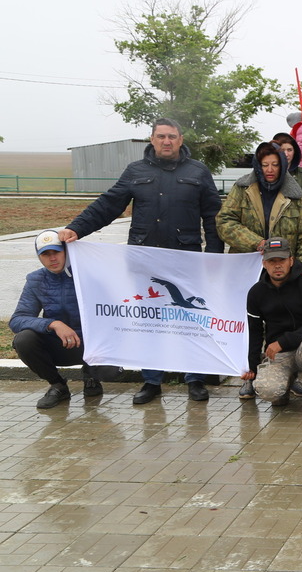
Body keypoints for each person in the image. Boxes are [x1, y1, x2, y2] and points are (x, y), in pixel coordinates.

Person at [58, 117, 224, 404]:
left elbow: (213, 217)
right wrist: (76, 227)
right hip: (143, 261)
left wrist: (214, 257)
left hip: (186, 261)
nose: (167, 141)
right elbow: (108, 204)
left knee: (190, 321)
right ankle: (151, 381)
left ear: (181, 139)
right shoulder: (135, 171)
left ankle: (195, 380)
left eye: (172, 136)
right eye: (161, 136)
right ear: (152, 139)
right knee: (150, 323)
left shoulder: (198, 172)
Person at [10, 230, 102, 409]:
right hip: (60, 344)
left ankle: (92, 374)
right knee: (24, 340)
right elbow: (17, 319)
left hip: (91, 344)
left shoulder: (87, 274)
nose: (52, 258)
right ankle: (58, 385)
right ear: (39, 257)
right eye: (45, 254)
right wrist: (53, 324)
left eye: (56, 252)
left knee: (111, 372)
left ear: (66, 252)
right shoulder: (35, 280)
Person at [245, 237, 302, 420]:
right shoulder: (256, 292)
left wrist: (282, 342)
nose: (277, 266)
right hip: (279, 355)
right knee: (268, 392)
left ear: (291, 260)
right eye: (272, 261)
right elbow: (254, 332)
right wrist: (251, 367)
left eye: (281, 260)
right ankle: (286, 382)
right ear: (264, 263)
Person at [216, 141, 302, 274]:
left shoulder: (296, 196)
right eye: (265, 165)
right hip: (245, 270)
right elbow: (224, 222)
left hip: (283, 273)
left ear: (282, 166)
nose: (269, 170)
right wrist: (256, 242)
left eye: (275, 165)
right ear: (258, 166)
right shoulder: (242, 189)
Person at [271, 132, 302, 202]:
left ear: (295, 152)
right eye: (282, 150)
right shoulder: (268, 174)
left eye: (289, 150)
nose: (286, 154)